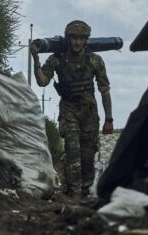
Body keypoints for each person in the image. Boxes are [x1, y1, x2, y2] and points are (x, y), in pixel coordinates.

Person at [30, 20, 114, 198]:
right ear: (68, 39)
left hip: (90, 111)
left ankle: (83, 193)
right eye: (74, 38)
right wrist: (36, 59)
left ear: (86, 40)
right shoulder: (57, 58)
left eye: (81, 38)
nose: (77, 42)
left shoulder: (95, 60)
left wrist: (109, 119)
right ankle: (73, 193)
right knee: (72, 150)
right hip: (68, 109)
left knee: (87, 155)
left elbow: (104, 90)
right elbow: (42, 81)